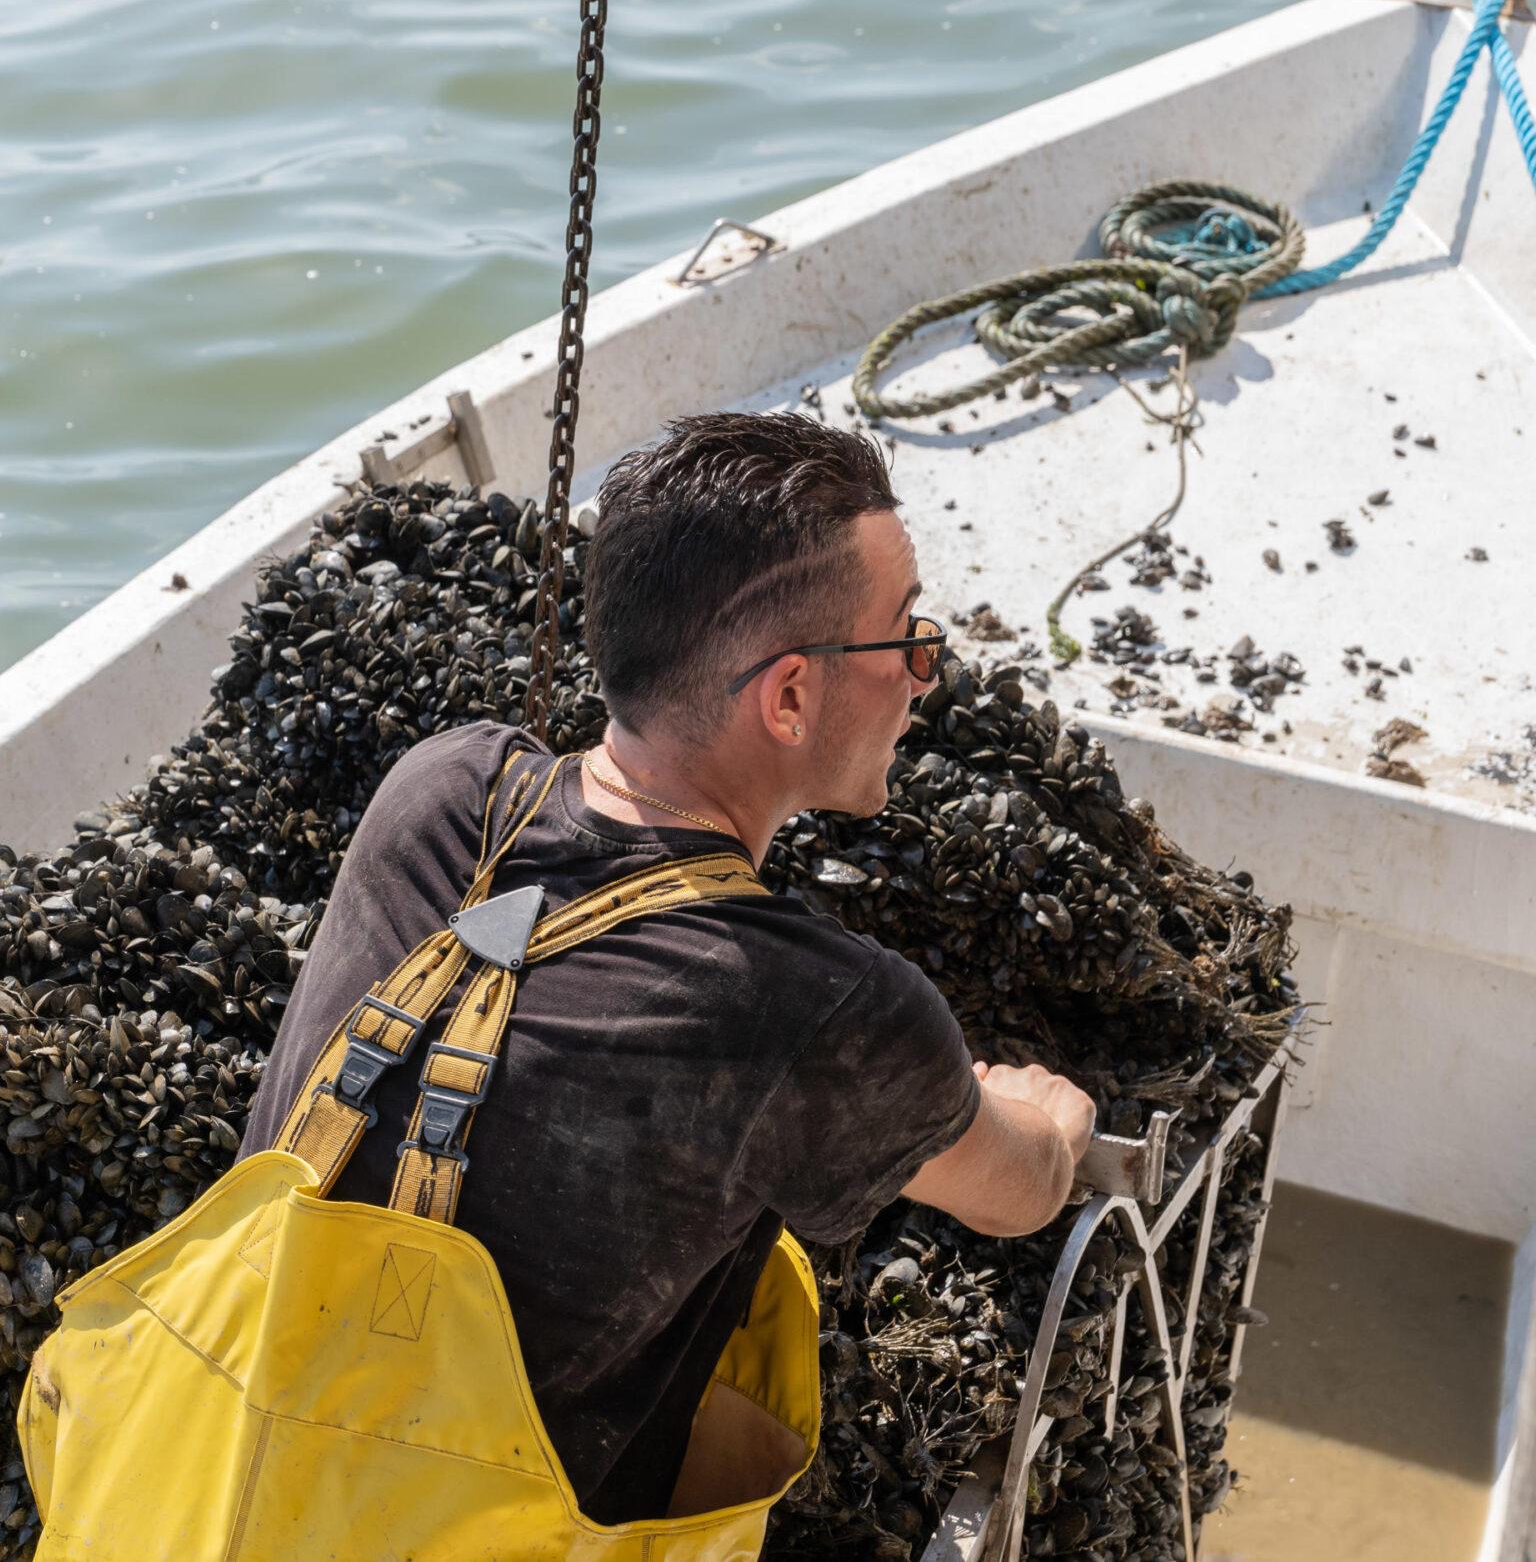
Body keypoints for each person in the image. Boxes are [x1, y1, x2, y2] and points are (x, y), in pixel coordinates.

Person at [240, 410, 1096, 1527]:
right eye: (907, 641)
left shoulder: (443, 789)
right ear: (788, 697)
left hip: (209, 1487)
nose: (923, 676)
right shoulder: (818, 1007)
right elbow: (1020, 1190)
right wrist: (1047, 1116)